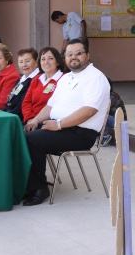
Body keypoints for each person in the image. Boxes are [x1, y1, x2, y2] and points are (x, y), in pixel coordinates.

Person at [22, 39, 110, 206]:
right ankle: (25, 186)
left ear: (88, 55)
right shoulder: (66, 78)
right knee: (21, 132)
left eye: (78, 53)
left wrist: (59, 125)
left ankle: (39, 188)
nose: (73, 57)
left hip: (81, 133)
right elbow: (50, 105)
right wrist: (35, 120)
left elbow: (89, 110)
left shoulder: (95, 77)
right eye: (69, 54)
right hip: (60, 127)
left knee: (32, 140)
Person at [21, 46, 66, 125]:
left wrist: (37, 121)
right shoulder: (36, 79)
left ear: (58, 62)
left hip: (49, 122)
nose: (46, 62)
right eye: (43, 59)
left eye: (50, 58)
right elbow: (26, 102)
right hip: (31, 120)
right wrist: (30, 119)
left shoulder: (63, 79)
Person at [2, 48, 40, 121]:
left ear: (36, 61)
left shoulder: (37, 79)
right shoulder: (21, 79)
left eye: (27, 61)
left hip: (21, 117)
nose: (24, 65)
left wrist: (8, 115)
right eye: (21, 62)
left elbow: (22, 103)